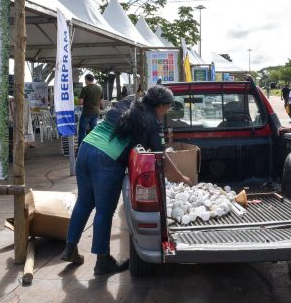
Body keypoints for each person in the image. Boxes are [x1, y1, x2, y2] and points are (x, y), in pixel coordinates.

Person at [61, 86, 193, 275]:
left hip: (86, 147)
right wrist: (182, 177)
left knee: (84, 202)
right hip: (106, 158)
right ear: (161, 106)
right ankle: (102, 261)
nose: (166, 112)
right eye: (167, 108)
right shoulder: (152, 122)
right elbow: (160, 156)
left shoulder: (130, 100)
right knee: (104, 211)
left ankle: (70, 248)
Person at [77, 74, 103, 145]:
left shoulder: (85, 89)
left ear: (86, 80)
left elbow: (80, 102)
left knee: (82, 130)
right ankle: (92, 146)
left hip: (87, 112)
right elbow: (101, 102)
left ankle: (80, 148)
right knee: (93, 131)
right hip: (96, 112)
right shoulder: (100, 88)